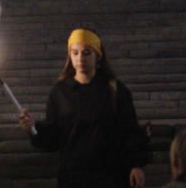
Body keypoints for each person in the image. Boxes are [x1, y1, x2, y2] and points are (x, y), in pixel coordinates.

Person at [19, 27, 149, 188]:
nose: (80, 58)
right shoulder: (59, 92)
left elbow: (129, 131)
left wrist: (136, 165)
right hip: (73, 177)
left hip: (111, 176)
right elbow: (53, 138)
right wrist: (33, 128)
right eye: (75, 52)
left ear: (98, 55)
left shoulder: (115, 90)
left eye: (86, 52)